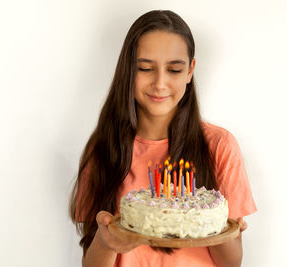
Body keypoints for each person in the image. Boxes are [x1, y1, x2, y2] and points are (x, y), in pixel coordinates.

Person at [69, 10, 257, 267]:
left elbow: (231, 262)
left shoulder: (219, 146)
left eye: (174, 69)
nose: (160, 83)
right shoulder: (103, 147)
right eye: (145, 68)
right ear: (128, 69)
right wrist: (105, 242)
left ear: (190, 71)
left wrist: (219, 226)